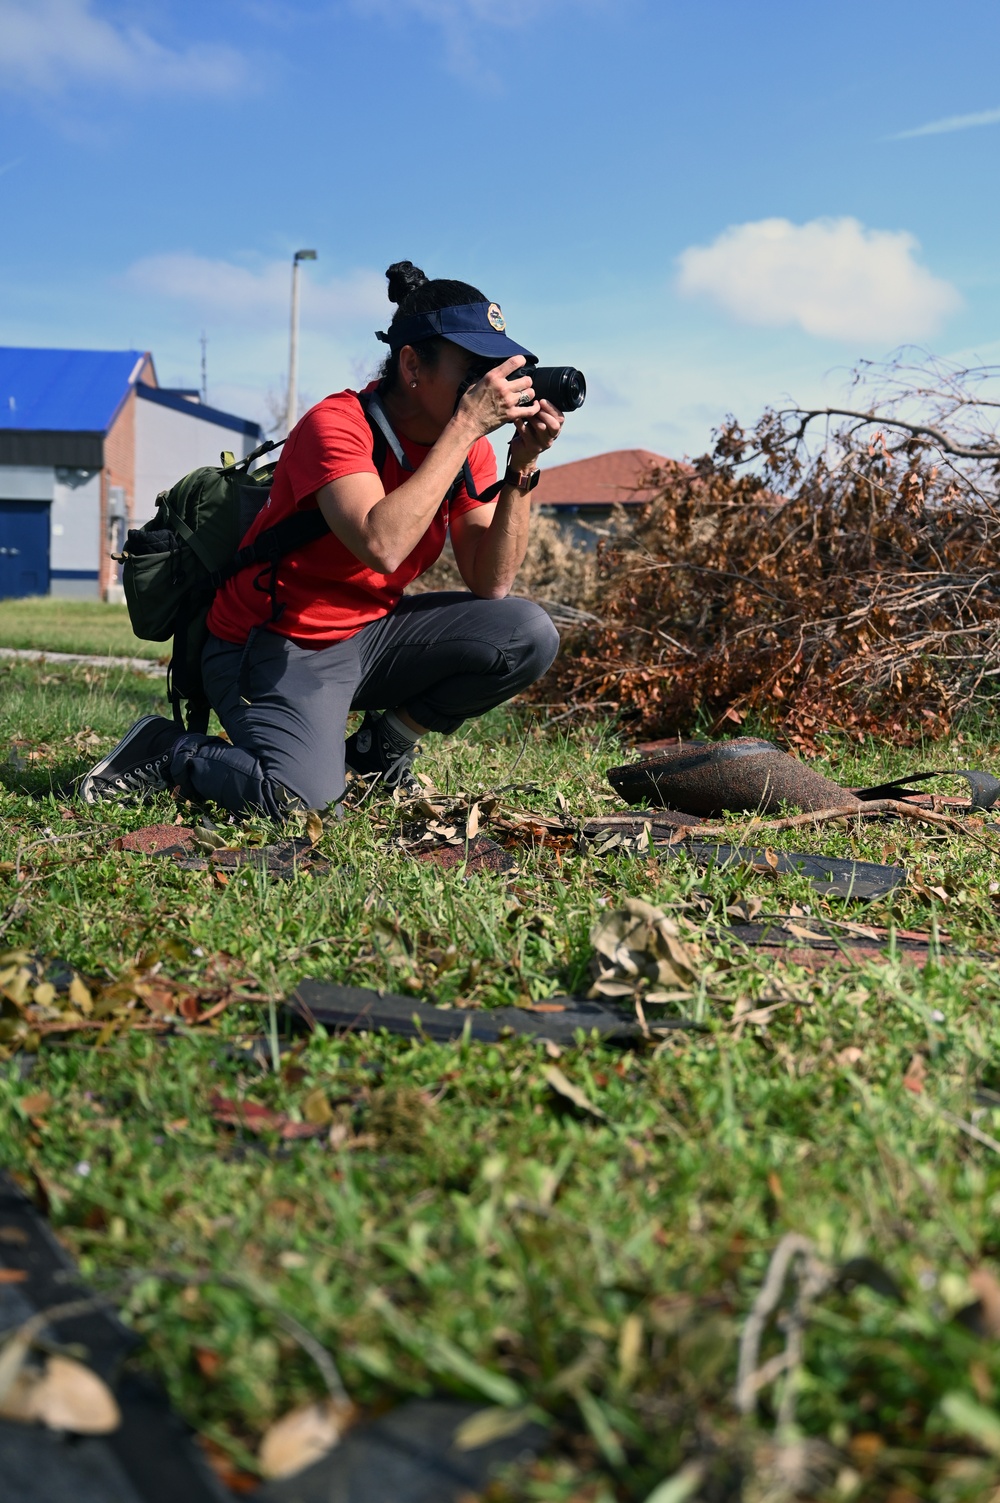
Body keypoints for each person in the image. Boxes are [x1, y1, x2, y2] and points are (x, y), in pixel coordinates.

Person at [81, 261, 563, 816]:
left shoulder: (468, 448)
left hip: (367, 634)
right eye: (474, 366)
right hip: (272, 643)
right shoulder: (338, 425)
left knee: (525, 632)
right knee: (302, 804)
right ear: (412, 364)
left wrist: (521, 467)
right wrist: (463, 429)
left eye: (494, 366)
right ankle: (166, 750)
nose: (490, 383)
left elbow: (492, 580)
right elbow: (379, 544)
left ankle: (380, 749)